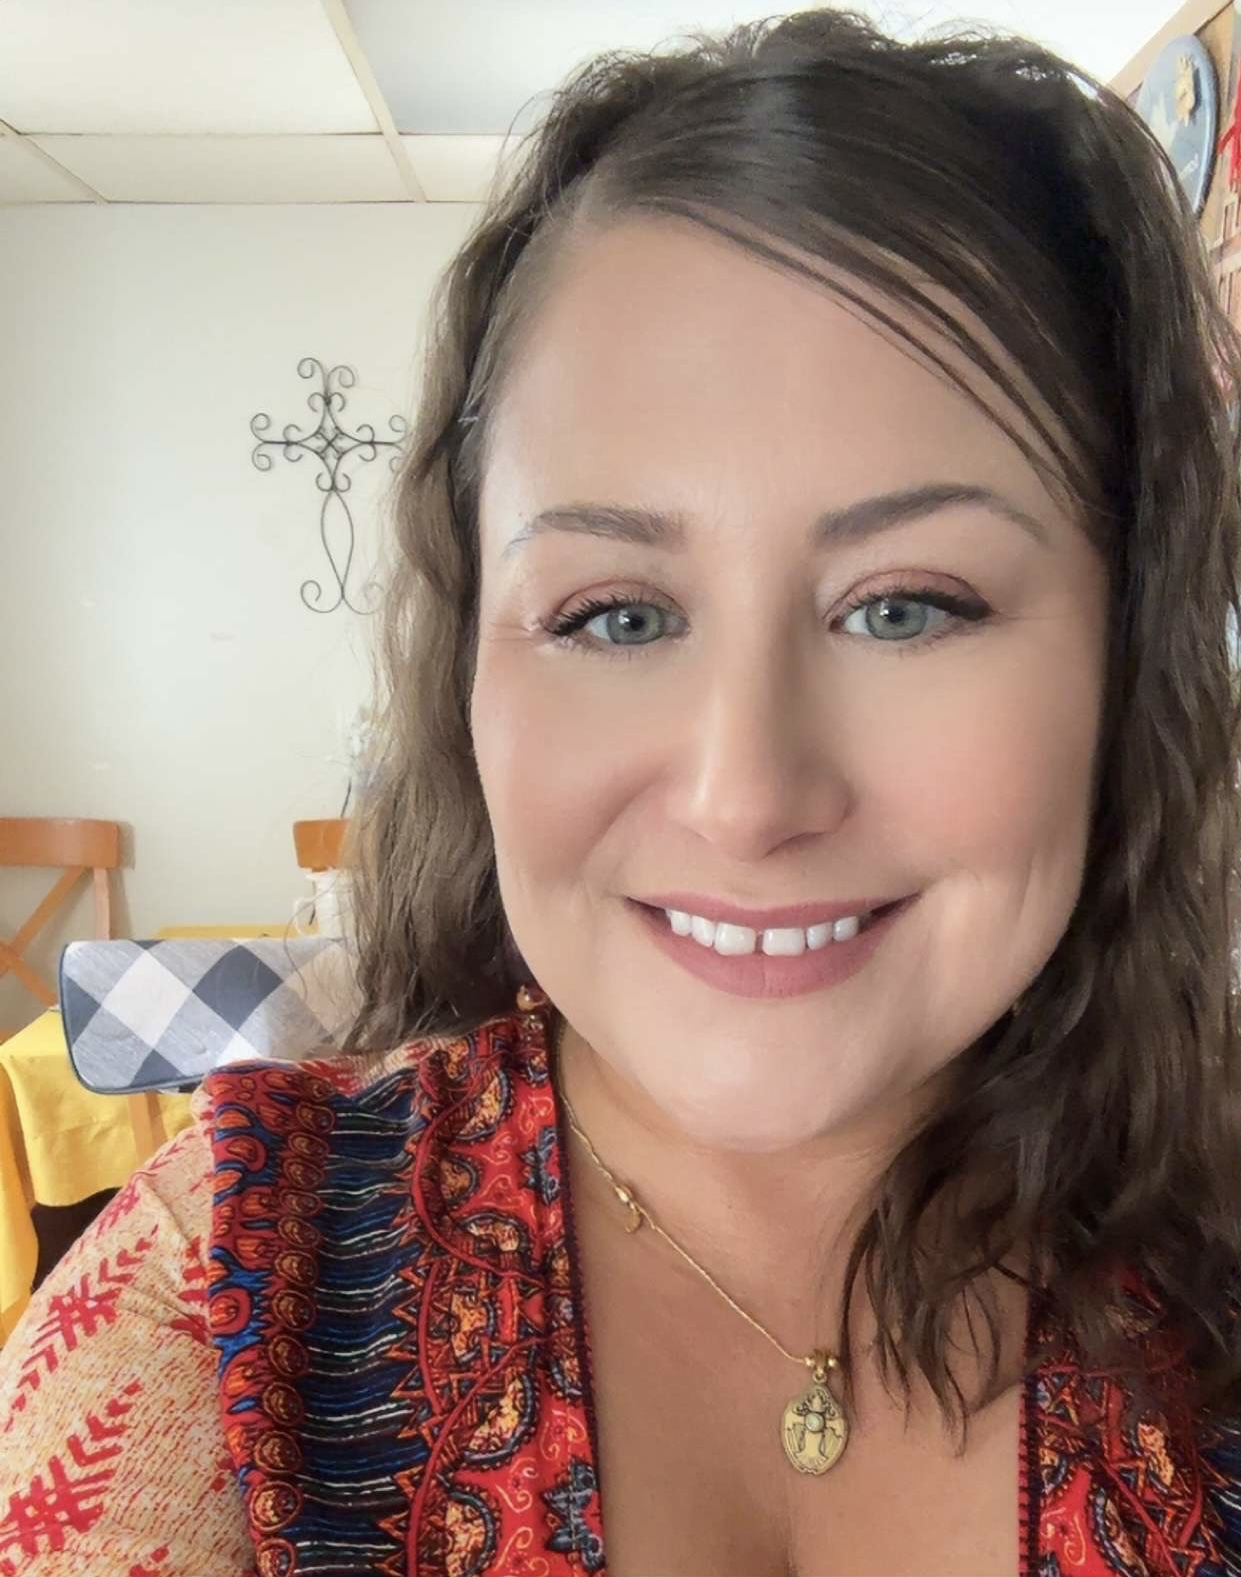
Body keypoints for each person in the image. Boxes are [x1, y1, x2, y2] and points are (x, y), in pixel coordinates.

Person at [5, 8, 1241, 1575]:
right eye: (616, 616)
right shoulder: (220, 1299)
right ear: (472, 676)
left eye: (904, 604)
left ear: (1124, 662)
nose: (744, 793)